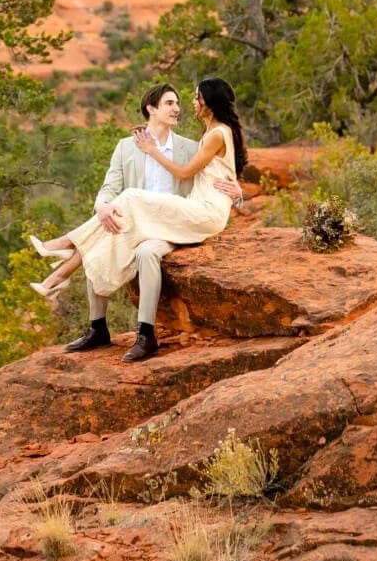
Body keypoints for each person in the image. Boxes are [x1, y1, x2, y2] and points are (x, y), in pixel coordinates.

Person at [28, 79, 248, 362]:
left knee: (143, 243)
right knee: (108, 227)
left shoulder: (193, 145)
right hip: (138, 219)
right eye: (170, 103)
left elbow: (223, 169)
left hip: (172, 223)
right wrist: (102, 207)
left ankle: (145, 334)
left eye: (181, 102)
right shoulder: (125, 147)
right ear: (151, 109)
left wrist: (238, 194)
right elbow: (109, 187)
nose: (179, 108)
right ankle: (96, 327)